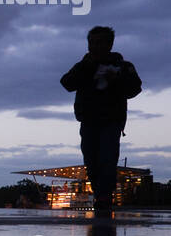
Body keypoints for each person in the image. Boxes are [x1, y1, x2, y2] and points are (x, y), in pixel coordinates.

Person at [61, 25, 142, 213]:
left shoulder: (123, 66)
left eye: (99, 43)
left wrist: (117, 79)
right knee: (91, 159)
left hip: (112, 120)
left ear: (109, 44)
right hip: (88, 120)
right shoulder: (83, 65)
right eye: (91, 43)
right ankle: (101, 194)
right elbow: (66, 83)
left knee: (107, 157)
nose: (94, 47)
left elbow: (135, 89)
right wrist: (85, 67)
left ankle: (104, 196)